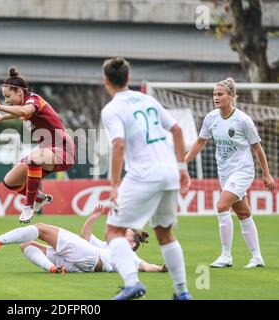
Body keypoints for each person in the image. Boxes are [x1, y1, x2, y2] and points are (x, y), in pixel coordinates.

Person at [100, 57, 192, 300]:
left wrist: (114, 184)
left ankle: (132, 283)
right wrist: (182, 168)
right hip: (169, 171)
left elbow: (118, 145)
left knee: (113, 232)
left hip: (144, 174)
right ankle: (182, 292)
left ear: (105, 81)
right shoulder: (147, 99)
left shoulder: (112, 109)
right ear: (128, 78)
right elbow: (177, 130)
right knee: (164, 233)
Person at [184, 78, 276, 269]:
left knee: (222, 205)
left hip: (243, 171)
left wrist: (266, 174)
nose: (216, 98)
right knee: (243, 212)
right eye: (214, 94)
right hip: (224, 172)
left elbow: (258, 149)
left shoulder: (243, 120)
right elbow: (200, 142)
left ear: (231, 96)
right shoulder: (211, 118)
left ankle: (226, 256)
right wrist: (182, 163)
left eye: (220, 94)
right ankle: (257, 257)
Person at [0, 67, 75, 223]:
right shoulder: (27, 103)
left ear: (19, 92)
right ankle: (40, 198)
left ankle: (28, 206)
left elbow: (23, 110)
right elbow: (20, 112)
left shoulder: (33, 100)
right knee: (10, 182)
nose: (6, 100)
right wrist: (2, 117)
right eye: (4, 98)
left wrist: (0, 107)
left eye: (8, 96)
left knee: (34, 158)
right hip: (48, 152)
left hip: (63, 150)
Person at [0, 204, 168, 274]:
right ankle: (52, 268)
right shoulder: (109, 246)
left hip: (91, 259)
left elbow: (145, 266)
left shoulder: (128, 255)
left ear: (132, 243)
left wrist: (161, 268)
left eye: (124, 234)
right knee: (27, 244)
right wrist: (91, 219)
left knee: (40, 228)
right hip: (84, 263)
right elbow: (86, 238)